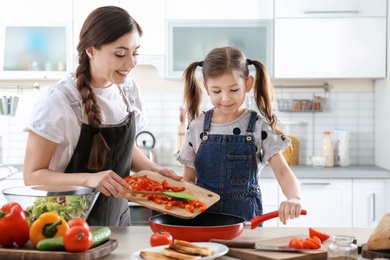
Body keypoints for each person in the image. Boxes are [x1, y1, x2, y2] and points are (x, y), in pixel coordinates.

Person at [23, 6, 181, 226]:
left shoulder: (127, 91)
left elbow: (120, 149)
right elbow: (33, 176)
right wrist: (90, 180)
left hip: (117, 221)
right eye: (120, 54)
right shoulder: (59, 100)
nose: (131, 63)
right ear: (91, 50)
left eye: (135, 52)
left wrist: (155, 170)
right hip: (65, 225)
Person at [175, 46, 301, 225]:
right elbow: (188, 179)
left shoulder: (258, 127)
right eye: (217, 91)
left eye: (233, 90)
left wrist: (294, 197)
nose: (225, 98)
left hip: (246, 220)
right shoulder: (197, 127)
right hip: (203, 219)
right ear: (206, 88)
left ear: (248, 84)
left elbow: (282, 171)